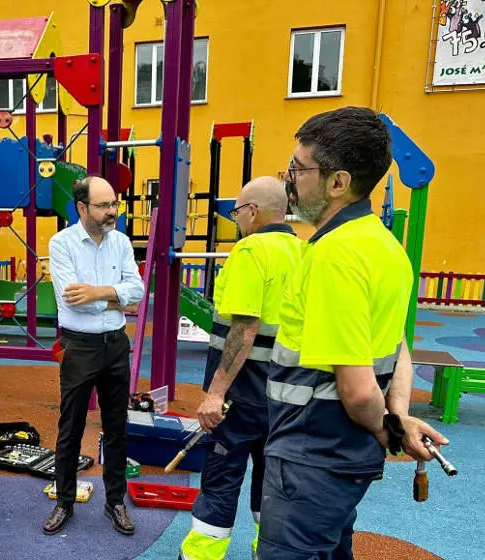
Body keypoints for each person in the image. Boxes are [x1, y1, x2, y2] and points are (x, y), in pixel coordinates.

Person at [258, 107, 449, 559]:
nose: (289, 180)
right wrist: (398, 416)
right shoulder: (385, 246)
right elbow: (397, 347)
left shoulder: (335, 256)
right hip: (341, 459)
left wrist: (388, 429)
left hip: (311, 453)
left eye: (298, 168)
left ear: (337, 182)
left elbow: (358, 390)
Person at [179, 177, 302, 560]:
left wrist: (215, 393)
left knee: (221, 478)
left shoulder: (250, 251)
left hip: (242, 395)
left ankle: (200, 555)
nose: (236, 221)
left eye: (236, 213)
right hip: (289, 395)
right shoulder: (305, 252)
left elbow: (244, 328)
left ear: (253, 211)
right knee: (273, 484)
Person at [43, 175, 144, 536]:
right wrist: (117, 299)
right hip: (79, 347)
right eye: (103, 206)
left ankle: (115, 501)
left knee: (117, 428)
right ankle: (64, 502)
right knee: (70, 428)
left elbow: (138, 291)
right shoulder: (62, 243)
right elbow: (74, 301)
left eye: (114, 204)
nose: (112, 211)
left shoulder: (121, 242)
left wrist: (99, 293)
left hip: (115, 345)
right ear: (82, 208)